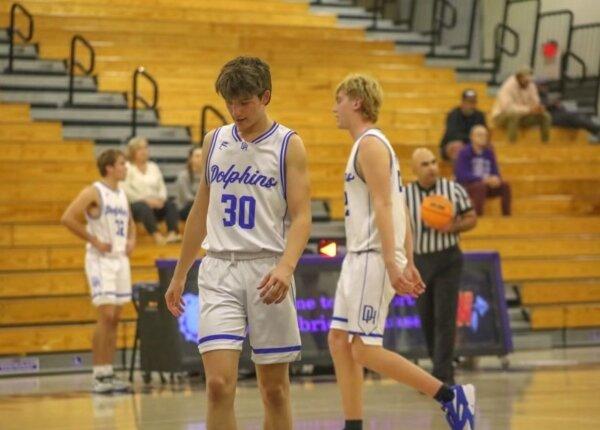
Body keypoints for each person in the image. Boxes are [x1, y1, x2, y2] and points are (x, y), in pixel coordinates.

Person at [164, 57, 311, 430]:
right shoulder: (214, 140)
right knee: (217, 385)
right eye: (230, 102)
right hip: (219, 268)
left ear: (265, 97)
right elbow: (200, 210)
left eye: (244, 102)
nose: (235, 110)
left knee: (274, 390)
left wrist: (286, 266)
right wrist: (180, 273)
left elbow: (302, 216)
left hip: (267, 269)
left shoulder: (288, 145)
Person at [327, 74, 475, 430]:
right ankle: (353, 424)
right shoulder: (366, 145)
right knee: (337, 340)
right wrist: (408, 258)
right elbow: (402, 208)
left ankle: (448, 395)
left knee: (363, 349)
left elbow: (383, 203)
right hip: (360, 257)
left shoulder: (371, 144)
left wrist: (394, 263)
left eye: (340, 100)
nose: (335, 108)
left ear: (357, 102)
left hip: (372, 256)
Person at [61, 149, 135, 394]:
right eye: (122, 164)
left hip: (119, 259)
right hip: (100, 260)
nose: (126, 168)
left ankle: (109, 372)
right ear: (110, 168)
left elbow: (131, 222)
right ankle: (99, 374)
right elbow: (68, 218)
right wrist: (93, 240)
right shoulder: (93, 191)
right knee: (105, 315)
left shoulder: (123, 194)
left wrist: (132, 239)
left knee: (115, 317)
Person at [406, 148, 477, 385]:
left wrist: (454, 227)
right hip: (421, 261)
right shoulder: (404, 195)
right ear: (414, 170)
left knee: (445, 317)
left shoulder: (453, 189)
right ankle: (438, 370)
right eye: (425, 164)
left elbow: (471, 218)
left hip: (448, 258)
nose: (432, 167)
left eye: (434, 162)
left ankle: (442, 376)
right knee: (426, 317)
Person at [122, 137, 181, 244]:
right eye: (140, 148)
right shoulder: (127, 167)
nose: (144, 151)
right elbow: (126, 190)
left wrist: (161, 199)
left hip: (156, 203)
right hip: (135, 205)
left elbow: (161, 186)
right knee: (142, 207)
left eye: (145, 148)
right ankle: (157, 235)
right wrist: (146, 200)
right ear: (132, 151)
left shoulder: (153, 166)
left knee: (170, 205)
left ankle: (172, 233)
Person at [455, 125, 511, 216]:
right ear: (472, 137)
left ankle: (507, 217)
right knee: (480, 187)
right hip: (468, 185)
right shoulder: (464, 152)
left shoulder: (489, 153)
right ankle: (478, 218)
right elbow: (461, 174)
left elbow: (495, 171)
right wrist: (482, 179)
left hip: (486, 184)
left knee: (505, 186)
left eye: (485, 135)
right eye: (480, 135)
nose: (483, 138)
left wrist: (496, 178)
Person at [492, 67, 551, 143]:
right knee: (514, 115)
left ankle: (545, 144)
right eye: (525, 81)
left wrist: (538, 108)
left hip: (524, 116)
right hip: (501, 117)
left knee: (545, 116)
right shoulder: (507, 87)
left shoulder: (530, 85)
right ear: (519, 78)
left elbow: (535, 102)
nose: (527, 83)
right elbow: (508, 109)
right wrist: (529, 110)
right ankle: (511, 145)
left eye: (529, 81)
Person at [440, 89, 487, 161]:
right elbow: (452, 134)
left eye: (473, 102)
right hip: (454, 144)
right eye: (468, 102)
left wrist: (468, 143)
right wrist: (468, 139)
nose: (471, 105)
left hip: (472, 145)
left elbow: (482, 135)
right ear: (462, 102)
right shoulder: (453, 114)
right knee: (456, 147)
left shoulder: (479, 116)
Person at [175, 146, 202, 220]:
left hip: (201, 206)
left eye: (203, 156)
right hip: (184, 208)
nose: (201, 158)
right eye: (197, 156)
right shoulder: (183, 176)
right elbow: (188, 198)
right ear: (191, 159)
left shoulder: (208, 175)